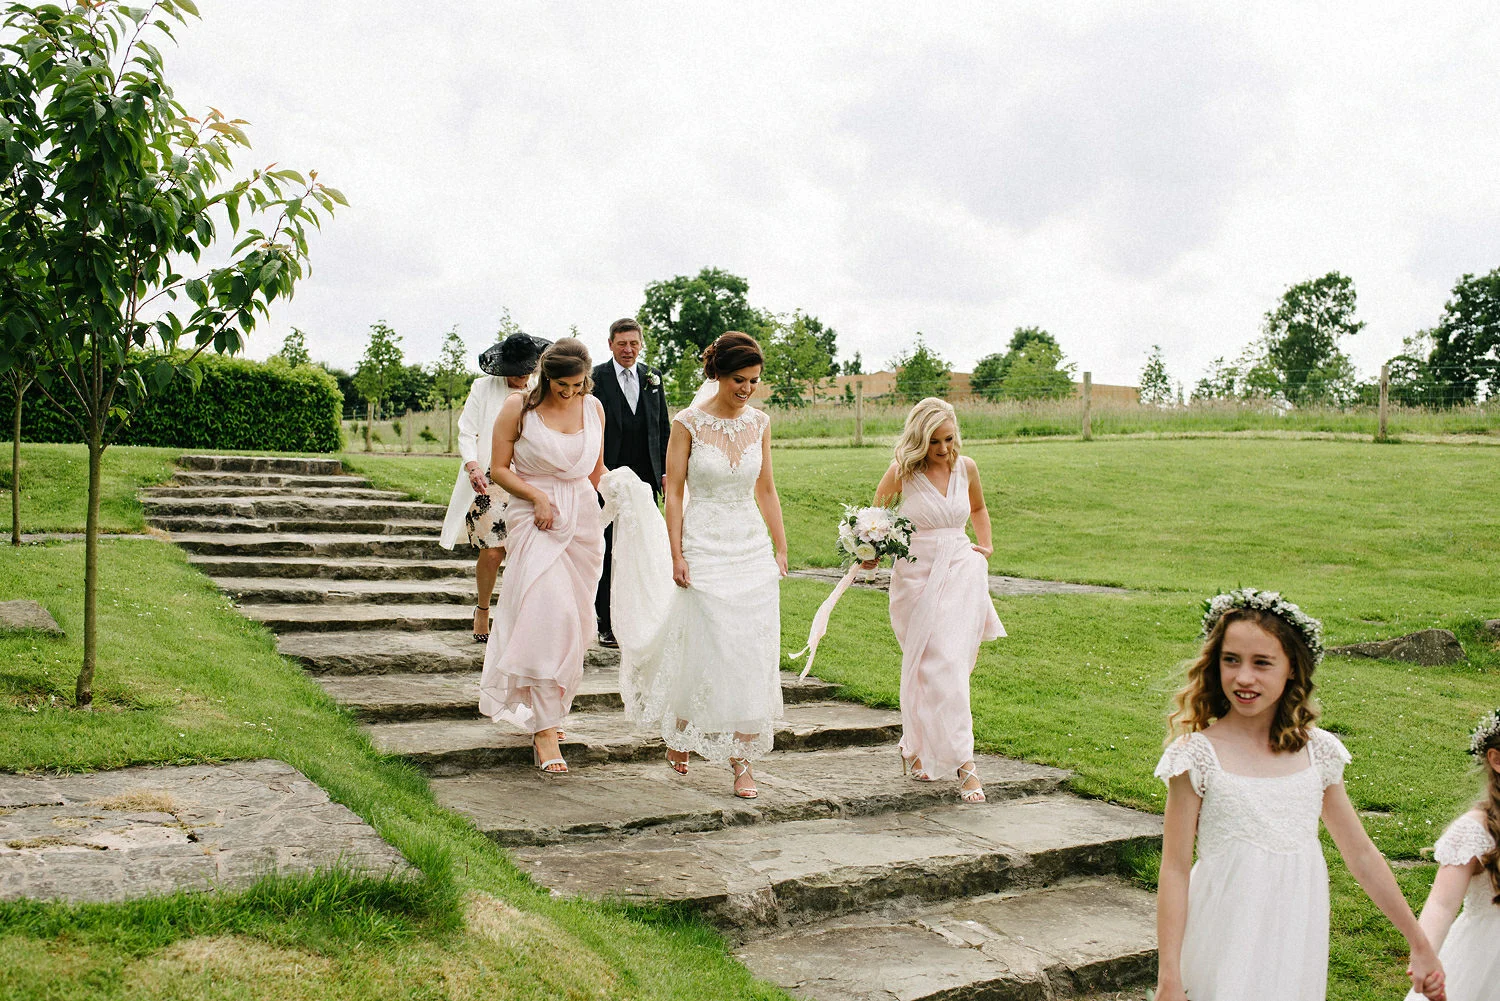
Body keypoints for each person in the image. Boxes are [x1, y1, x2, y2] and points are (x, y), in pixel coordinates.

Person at [1154, 589, 1445, 1001]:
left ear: (1291, 668)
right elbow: (1175, 870)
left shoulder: (1317, 752)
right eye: (1231, 660)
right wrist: (1169, 978)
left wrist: (1419, 941)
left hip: (1294, 930)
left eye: (1262, 663)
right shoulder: (1195, 756)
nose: (1244, 677)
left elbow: (1361, 854)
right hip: (1222, 929)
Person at [609, 331, 787, 799]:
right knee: (705, 638)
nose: (746, 389)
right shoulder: (687, 423)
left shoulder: (761, 423)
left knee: (749, 650)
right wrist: (676, 552)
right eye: (737, 379)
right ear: (716, 374)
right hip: (703, 543)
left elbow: (766, 489)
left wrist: (781, 547)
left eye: (753, 381)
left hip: (749, 547)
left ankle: (742, 759)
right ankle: (684, 727)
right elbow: (674, 493)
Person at [862, 398, 1003, 804]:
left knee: (949, 668)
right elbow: (876, 520)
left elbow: (978, 506)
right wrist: (868, 555)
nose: (943, 449)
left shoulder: (967, 467)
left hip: (961, 573)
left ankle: (965, 763)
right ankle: (919, 747)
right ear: (919, 439)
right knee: (927, 669)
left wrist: (986, 545)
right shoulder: (902, 472)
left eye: (949, 439)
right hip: (916, 579)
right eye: (934, 441)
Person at [477, 338, 606, 774]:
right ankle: (545, 730)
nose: (570, 394)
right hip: (535, 518)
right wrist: (537, 497)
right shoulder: (518, 408)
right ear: (545, 375)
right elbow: (499, 469)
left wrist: (626, 494)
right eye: (561, 385)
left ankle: (552, 706)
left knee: (575, 622)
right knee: (547, 614)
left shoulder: (595, 408)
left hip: (583, 523)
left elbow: (595, 472)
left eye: (578, 385)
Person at [438, 330, 550, 642]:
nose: (522, 377)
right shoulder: (483, 388)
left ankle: (521, 616)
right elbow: (467, 431)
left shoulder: (543, 390)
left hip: (528, 478)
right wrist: (471, 464)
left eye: (527, 370)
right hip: (489, 479)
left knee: (527, 550)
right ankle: (483, 609)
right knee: (493, 552)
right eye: (516, 372)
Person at [1403, 709, 1499, 1001]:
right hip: (1486, 959)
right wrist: (1424, 952)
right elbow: (1442, 904)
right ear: (1496, 760)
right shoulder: (1476, 830)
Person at [591, 317, 669, 649]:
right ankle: (606, 622)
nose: (628, 350)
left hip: (646, 478)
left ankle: (641, 616)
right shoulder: (596, 377)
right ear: (610, 344)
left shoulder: (653, 377)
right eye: (622, 343)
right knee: (607, 548)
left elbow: (663, 426)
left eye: (634, 343)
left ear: (641, 344)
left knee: (643, 545)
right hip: (606, 477)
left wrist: (665, 471)